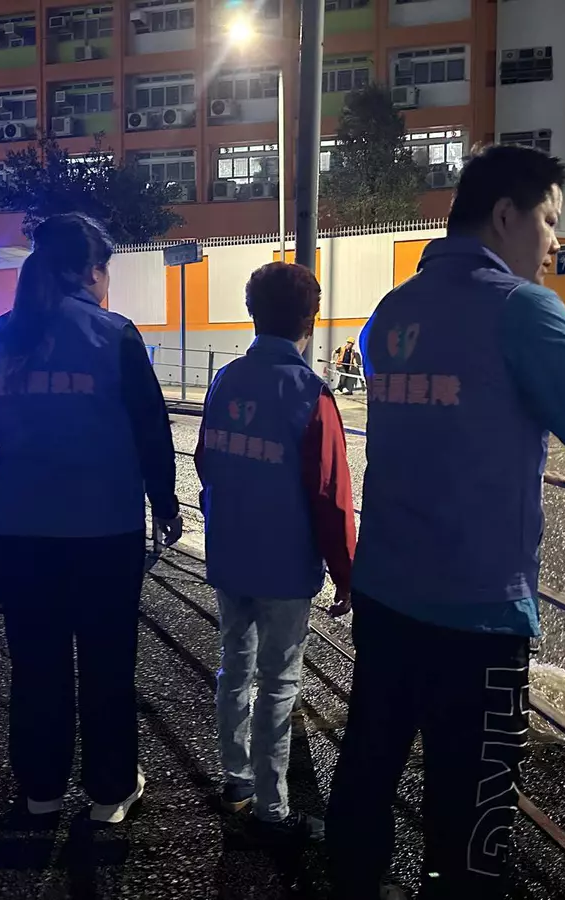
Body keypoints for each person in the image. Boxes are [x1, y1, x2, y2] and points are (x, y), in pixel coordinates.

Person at [325, 145, 565, 900]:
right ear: (506, 215)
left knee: (369, 764)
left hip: (385, 590)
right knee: (470, 807)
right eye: (548, 220)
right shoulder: (520, 308)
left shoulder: (392, 310)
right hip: (475, 610)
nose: (554, 242)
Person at [0, 213, 183, 824]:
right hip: (104, 530)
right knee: (107, 662)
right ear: (93, 271)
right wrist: (165, 502)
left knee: (36, 663)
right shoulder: (115, 335)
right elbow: (151, 430)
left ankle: (41, 789)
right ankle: (109, 793)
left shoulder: (0, 334)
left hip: (21, 528)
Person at [196, 262, 356, 842]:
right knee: (279, 681)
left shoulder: (225, 380)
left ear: (252, 313)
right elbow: (331, 496)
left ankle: (235, 780)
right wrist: (346, 574)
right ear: (310, 321)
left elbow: (205, 460)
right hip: (285, 564)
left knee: (233, 666)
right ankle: (273, 809)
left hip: (230, 552)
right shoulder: (311, 394)